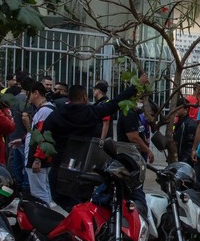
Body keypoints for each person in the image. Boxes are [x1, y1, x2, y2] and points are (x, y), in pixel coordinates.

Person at [45, 78, 144, 206]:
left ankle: (75, 216)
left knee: (59, 196)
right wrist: (136, 86)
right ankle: (78, 215)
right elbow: (116, 102)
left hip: (60, 163)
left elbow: (44, 133)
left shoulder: (57, 114)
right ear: (84, 97)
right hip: (85, 165)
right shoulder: (91, 112)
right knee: (83, 199)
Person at [24, 82, 58, 208]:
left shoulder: (44, 111)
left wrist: (38, 158)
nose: (28, 97)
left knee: (39, 193)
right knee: (43, 190)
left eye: (30, 94)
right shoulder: (46, 109)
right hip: (39, 156)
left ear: (36, 93)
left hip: (38, 158)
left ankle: (43, 221)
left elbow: (44, 135)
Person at [117, 96, 154, 163]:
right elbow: (134, 138)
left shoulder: (136, 114)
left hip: (135, 154)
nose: (142, 103)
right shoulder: (129, 114)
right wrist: (148, 151)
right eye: (140, 100)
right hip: (129, 156)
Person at [172, 99, 197, 164]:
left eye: (179, 107)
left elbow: (190, 146)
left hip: (185, 163)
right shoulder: (177, 123)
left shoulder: (190, 124)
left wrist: (184, 162)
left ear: (186, 110)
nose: (176, 109)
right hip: (177, 160)